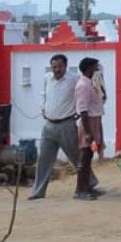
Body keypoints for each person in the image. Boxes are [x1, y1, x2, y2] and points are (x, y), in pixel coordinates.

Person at [29, 53, 80, 200]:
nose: (57, 70)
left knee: (76, 157)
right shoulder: (47, 78)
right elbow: (43, 94)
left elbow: (82, 97)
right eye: (54, 67)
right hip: (49, 125)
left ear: (65, 66)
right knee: (44, 158)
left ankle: (89, 183)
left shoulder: (74, 79)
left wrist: (79, 112)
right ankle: (38, 192)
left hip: (67, 123)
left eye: (60, 67)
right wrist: (43, 108)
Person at [73, 57, 106, 201]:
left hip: (94, 122)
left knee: (89, 156)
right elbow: (83, 110)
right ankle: (80, 190)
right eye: (95, 67)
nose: (97, 69)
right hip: (89, 124)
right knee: (85, 157)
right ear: (89, 68)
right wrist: (88, 132)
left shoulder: (90, 83)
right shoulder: (83, 86)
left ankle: (86, 188)